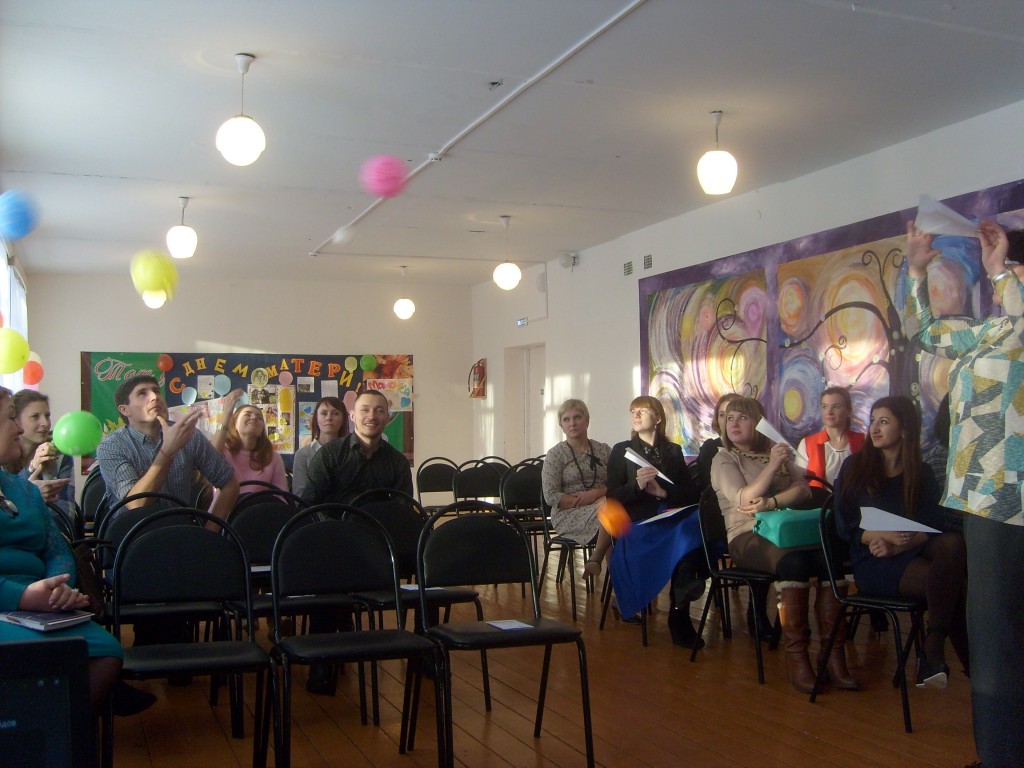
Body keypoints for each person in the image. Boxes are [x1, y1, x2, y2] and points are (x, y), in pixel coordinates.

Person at [905, 219, 1024, 768]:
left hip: (1013, 495)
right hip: (984, 498)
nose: (1004, 275)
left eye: (1014, 266)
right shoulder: (992, 332)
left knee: (1004, 635)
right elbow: (926, 333)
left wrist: (1001, 273)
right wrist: (916, 272)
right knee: (995, 637)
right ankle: (1001, 755)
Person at [710, 397, 857, 693]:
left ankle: (832, 654)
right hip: (746, 535)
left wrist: (772, 502)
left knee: (829, 559)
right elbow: (744, 498)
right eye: (729, 418)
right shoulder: (724, 458)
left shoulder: (773, 452)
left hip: (786, 533)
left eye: (743, 418)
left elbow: (804, 491)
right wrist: (774, 466)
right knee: (795, 563)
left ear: (758, 423)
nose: (734, 423)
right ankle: (798, 657)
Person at [0, 386, 123, 711]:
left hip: (40, 607)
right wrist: (24, 596)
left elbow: (56, 550)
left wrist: (60, 589)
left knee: (107, 651)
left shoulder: (24, 490)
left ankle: (56, 735)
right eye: (11, 419)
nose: (20, 429)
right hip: (14, 603)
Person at [834, 396, 968, 688]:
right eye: (873, 421)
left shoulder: (921, 472)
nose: (874, 428)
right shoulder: (855, 467)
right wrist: (880, 537)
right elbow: (843, 525)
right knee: (954, 585)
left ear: (905, 428)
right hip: (873, 558)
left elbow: (935, 522)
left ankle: (936, 655)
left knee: (953, 543)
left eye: (883, 421)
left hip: (909, 547)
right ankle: (953, 661)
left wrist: (901, 544)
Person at [299, 389, 412, 694]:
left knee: (422, 569)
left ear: (388, 417)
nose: (371, 416)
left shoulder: (397, 462)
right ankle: (322, 662)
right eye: (364, 410)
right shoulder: (330, 455)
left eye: (379, 410)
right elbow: (311, 503)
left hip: (375, 547)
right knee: (327, 578)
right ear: (352, 416)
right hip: (334, 543)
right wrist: (340, 535)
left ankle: (423, 655)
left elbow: (401, 511)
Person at [605, 396, 703, 646]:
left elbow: (691, 493)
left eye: (642, 410)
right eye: (632, 411)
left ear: (658, 418)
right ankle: (681, 600)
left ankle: (679, 608)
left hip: (670, 515)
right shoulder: (622, 450)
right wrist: (636, 486)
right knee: (685, 533)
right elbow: (612, 496)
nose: (636, 415)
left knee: (694, 521)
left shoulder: (673, 450)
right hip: (640, 523)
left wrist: (663, 493)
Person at [96, 375, 239, 518]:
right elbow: (136, 504)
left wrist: (210, 528)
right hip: (131, 529)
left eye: (156, 391)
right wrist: (168, 451)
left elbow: (229, 485)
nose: (154, 397)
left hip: (178, 527)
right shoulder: (111, 446)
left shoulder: (189, 435)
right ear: (124, 410)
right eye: (142, 393)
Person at [541, 399, 612, 578]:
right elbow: (550, 496)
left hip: (604, 504)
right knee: (616, 523)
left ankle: (597, 561)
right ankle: (621, 588)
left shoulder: (603, 450)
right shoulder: (555, 454)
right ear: (561, 425)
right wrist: (584, 500)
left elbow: (618, 484)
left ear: (587, 421)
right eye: (566, 419)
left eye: (577, 417)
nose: (572, 423)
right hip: (569, 513)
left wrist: (597, 494)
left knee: (616, 519)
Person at [3, 389, 74, 508]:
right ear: (16, 420)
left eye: (47, 415)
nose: (45, 423)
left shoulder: (59, 453)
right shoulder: (4, 452)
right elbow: (6, 508)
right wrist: (31, 469)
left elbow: (66, 509)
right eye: (35, 416)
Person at [795, 386, 864, 491]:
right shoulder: (807, 444)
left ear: (848, 411)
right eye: (824, 407)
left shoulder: (863, 442)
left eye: (836, 407)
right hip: (819, 500)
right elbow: (800, 483)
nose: (829, 412)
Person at [213, 399, 287, 492]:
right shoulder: (223, 450)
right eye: (247, 414)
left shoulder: (273, 456)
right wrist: (226, 417)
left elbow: (281, 494)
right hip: (226, 502)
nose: (254, 418)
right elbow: (211, 458)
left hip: (263, 501)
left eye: (259, 417)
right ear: (235, 424)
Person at [291, 396, 348, 497]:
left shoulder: (351, 453)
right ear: (316, 419)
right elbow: (299, 495)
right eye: (324, 413)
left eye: (335, 413)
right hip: (312, 506)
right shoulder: (302, 455)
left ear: (343, 420)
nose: (329, 418)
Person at [694, 392, 742, 494]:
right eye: (722, 415)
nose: (727, 420)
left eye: (732, 414)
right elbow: (708, 486)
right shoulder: (710, 448)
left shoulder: (759, 449)